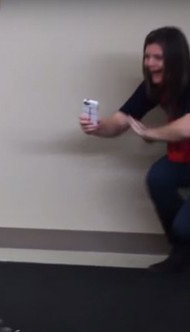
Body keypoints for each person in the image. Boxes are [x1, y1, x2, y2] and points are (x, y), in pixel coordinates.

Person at [80, 26, 190, 273]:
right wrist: (97, 127)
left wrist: (150, 133)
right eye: (147, 56)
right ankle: (181, 254)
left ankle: (184, 241)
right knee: (159, 177)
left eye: (157, 58)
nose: (149, 63)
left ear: (176, 59)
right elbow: (120, 121)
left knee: (184, 227)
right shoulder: (152, 85)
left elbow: (187, 128)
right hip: (184, 159)